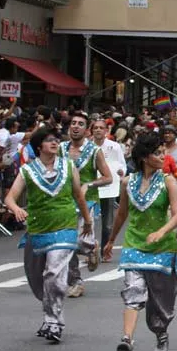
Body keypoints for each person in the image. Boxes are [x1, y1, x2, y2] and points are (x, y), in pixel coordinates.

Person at [5, 127, 93, 343]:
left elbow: (78, 196)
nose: (54, 143)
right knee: (37, 278)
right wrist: (16, 209)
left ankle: (53, 322)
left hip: (65, 226)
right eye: (48, 140)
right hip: (38, 229)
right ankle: (50, 312)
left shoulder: (69, 166)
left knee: (54, 273)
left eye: (56, 140)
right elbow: (10, 198)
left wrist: (87, 220)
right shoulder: (27, 170)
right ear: (38, 147)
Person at [103, 133, 177, 351]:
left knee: (160, 302)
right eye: (157, 153)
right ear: (145, 157)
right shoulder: (127, 182)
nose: (163, 156)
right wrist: (111, 240)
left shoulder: (168, 181)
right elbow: (121, 214)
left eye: (163, 152)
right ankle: (127, 339)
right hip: (134, 245)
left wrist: (161, 232)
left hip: (163, 248)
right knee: (133, 291)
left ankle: (161, 333)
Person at [62, 112, 113, 298]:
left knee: (79, 241)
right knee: (66, 243)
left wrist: (88, 184)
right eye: (73, 123)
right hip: (64, 202)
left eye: (80, 124)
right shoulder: (60, 149)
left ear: (86, 131)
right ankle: (75, 282)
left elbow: (108, 177)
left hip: (87, 202)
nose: (76, 126)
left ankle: (91, 247)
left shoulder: (94, 151)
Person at [92, 117, 126, 262]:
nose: (98, 130)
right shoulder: (87, 147)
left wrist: (121, 171)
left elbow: (121, 164)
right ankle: (89, 251)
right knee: (87, 222)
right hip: (91, 187)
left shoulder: (114, 147)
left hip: (108, 187)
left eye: (101, 128)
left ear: (106, 131)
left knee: (107, 223)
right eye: (95, 128)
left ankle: (105, 250)